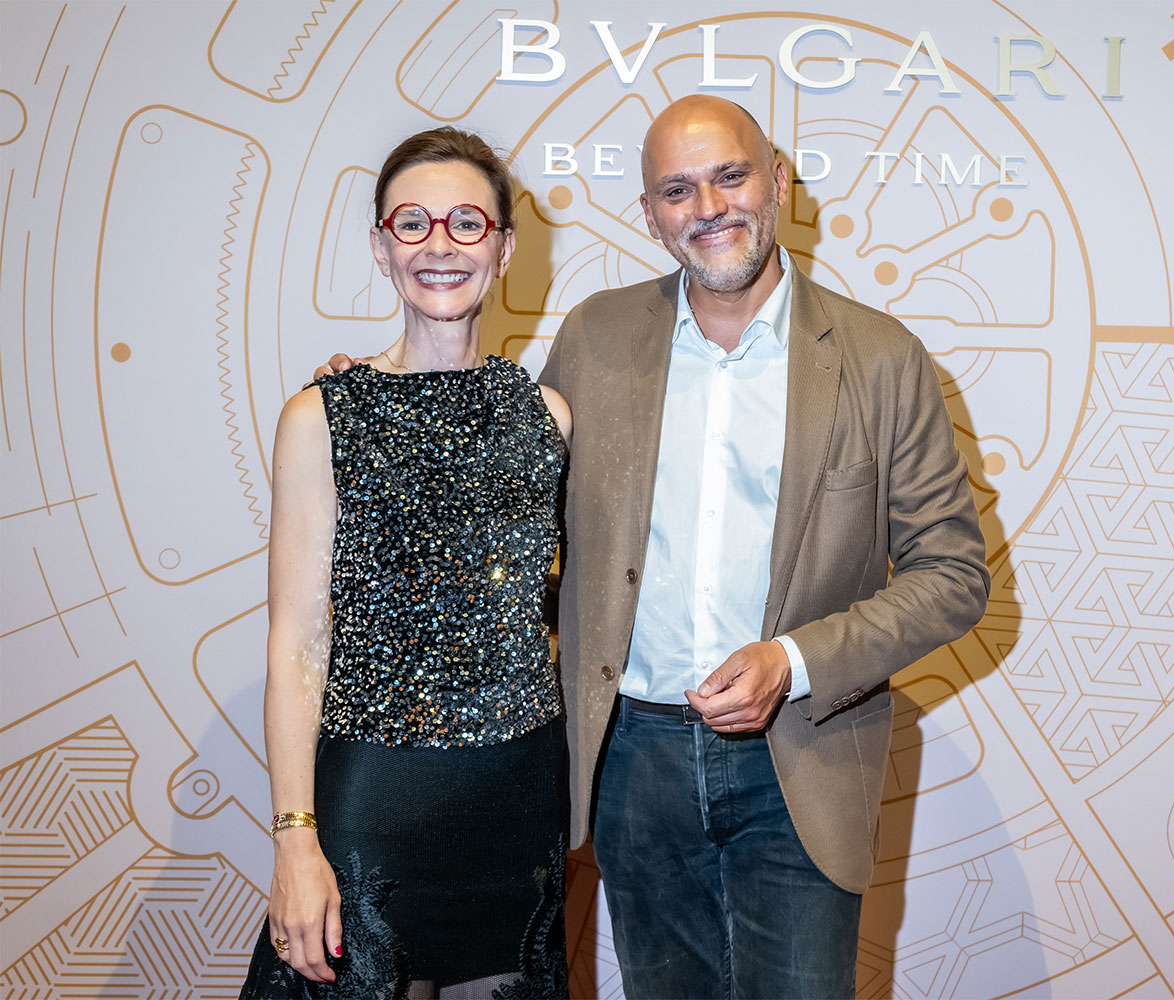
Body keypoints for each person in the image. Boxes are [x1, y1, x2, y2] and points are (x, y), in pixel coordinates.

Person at [324, 96, 987, 998]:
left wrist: (791, 661)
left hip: (805, 761)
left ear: (778, 182)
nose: (707, 207)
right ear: (649, 214)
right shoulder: (595, 338)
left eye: (730, 176)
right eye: (677, 190)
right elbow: (502, 499)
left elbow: (953, 575)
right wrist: (386, 405)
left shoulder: (881, 358)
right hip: (633, 764)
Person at [243, 127, 572, 1000]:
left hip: (518, 798)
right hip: (374, 801)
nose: (440, 244)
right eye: (413, 223)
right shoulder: (321, 416)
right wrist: (295, 838)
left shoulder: (549, 417)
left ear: (504, 248)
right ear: (382, 246)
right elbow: (297, 643)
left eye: (467, 222)